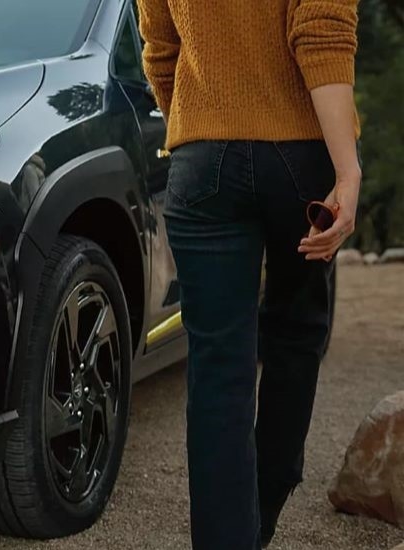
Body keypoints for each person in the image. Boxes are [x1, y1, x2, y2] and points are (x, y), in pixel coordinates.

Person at [135, 0, 361, 548]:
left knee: (217, 368)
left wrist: (199, 134)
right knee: (296, 332)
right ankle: (262, 509)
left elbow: (160, 50)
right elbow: (321, 32)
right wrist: (347, 168)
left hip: (201, 159)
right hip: (302, 154)